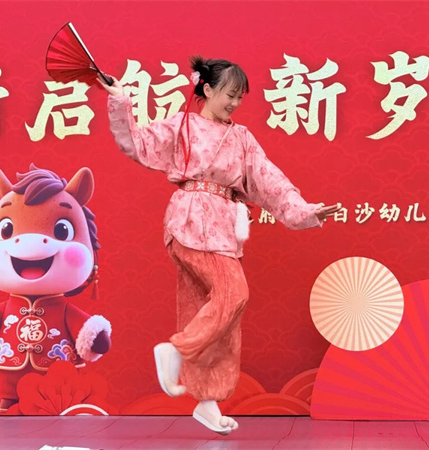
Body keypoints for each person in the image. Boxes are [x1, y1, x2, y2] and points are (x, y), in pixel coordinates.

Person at [98, 56, 340, 434]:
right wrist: (119, 99)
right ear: (207, 89)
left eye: (240, 97)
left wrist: (304, 210)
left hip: (224, 228)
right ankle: (178, 349)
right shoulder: (182, 125)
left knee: (213, 315)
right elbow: (138, 143)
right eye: (229, 94)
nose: (235, 103)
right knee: (233, 292)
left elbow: (270, 181)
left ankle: (207, 402)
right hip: (190, 220)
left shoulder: (241, 138)